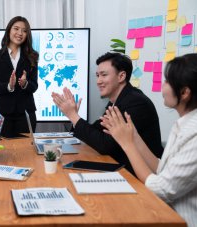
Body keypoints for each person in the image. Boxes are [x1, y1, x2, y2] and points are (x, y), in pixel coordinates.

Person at [100, 54, 197, 226]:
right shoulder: (182, 125)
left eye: (167, 81)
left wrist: (127, 144)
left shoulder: (194, 133)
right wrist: (133, 135)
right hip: (164, 214)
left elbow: (160, 189)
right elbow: (163, 170)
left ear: (184, 93)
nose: (162, 86)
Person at [52, 52, 163, 174]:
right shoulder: (116, 101)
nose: (98, 81)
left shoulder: (136, 103)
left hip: (139, 176)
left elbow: (105, 145)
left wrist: (73, 116)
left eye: (104, 75)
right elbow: (97, 130)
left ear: (121, 76)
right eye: (97, 75)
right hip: (120, 168)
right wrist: (74, 116)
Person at [0, 16, 39, 138]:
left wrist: (25, 84)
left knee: (26, 152)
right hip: (2, 113)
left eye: (24, 30)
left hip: (26, 114)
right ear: (9, 30)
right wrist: (9, 86)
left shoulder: (32, 56)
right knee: (2, 153)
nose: (20, 33)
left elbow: (34, 86)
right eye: (16, 28)